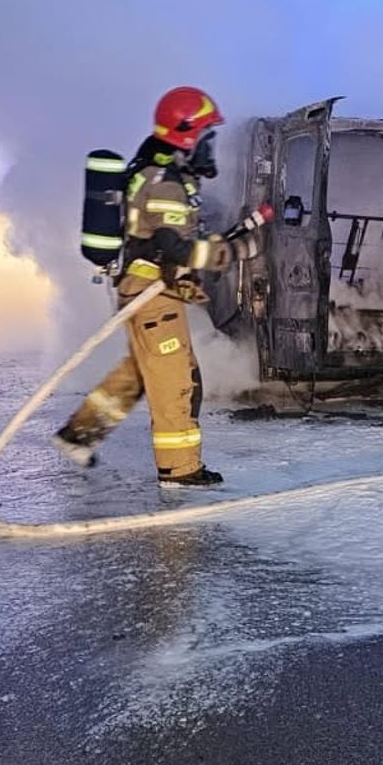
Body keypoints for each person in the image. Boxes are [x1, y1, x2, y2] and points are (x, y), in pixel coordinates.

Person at [55, 86, 256, 488]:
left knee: (141, 372)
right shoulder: (165, 183)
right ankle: (179, 471)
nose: (210, 147)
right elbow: (175, 248)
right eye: (206, 137)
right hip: (150, 299)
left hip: (146, 292)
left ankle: (80, 435)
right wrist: (233, 251)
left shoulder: (156, 171)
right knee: (175, 381)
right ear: (186, 137)